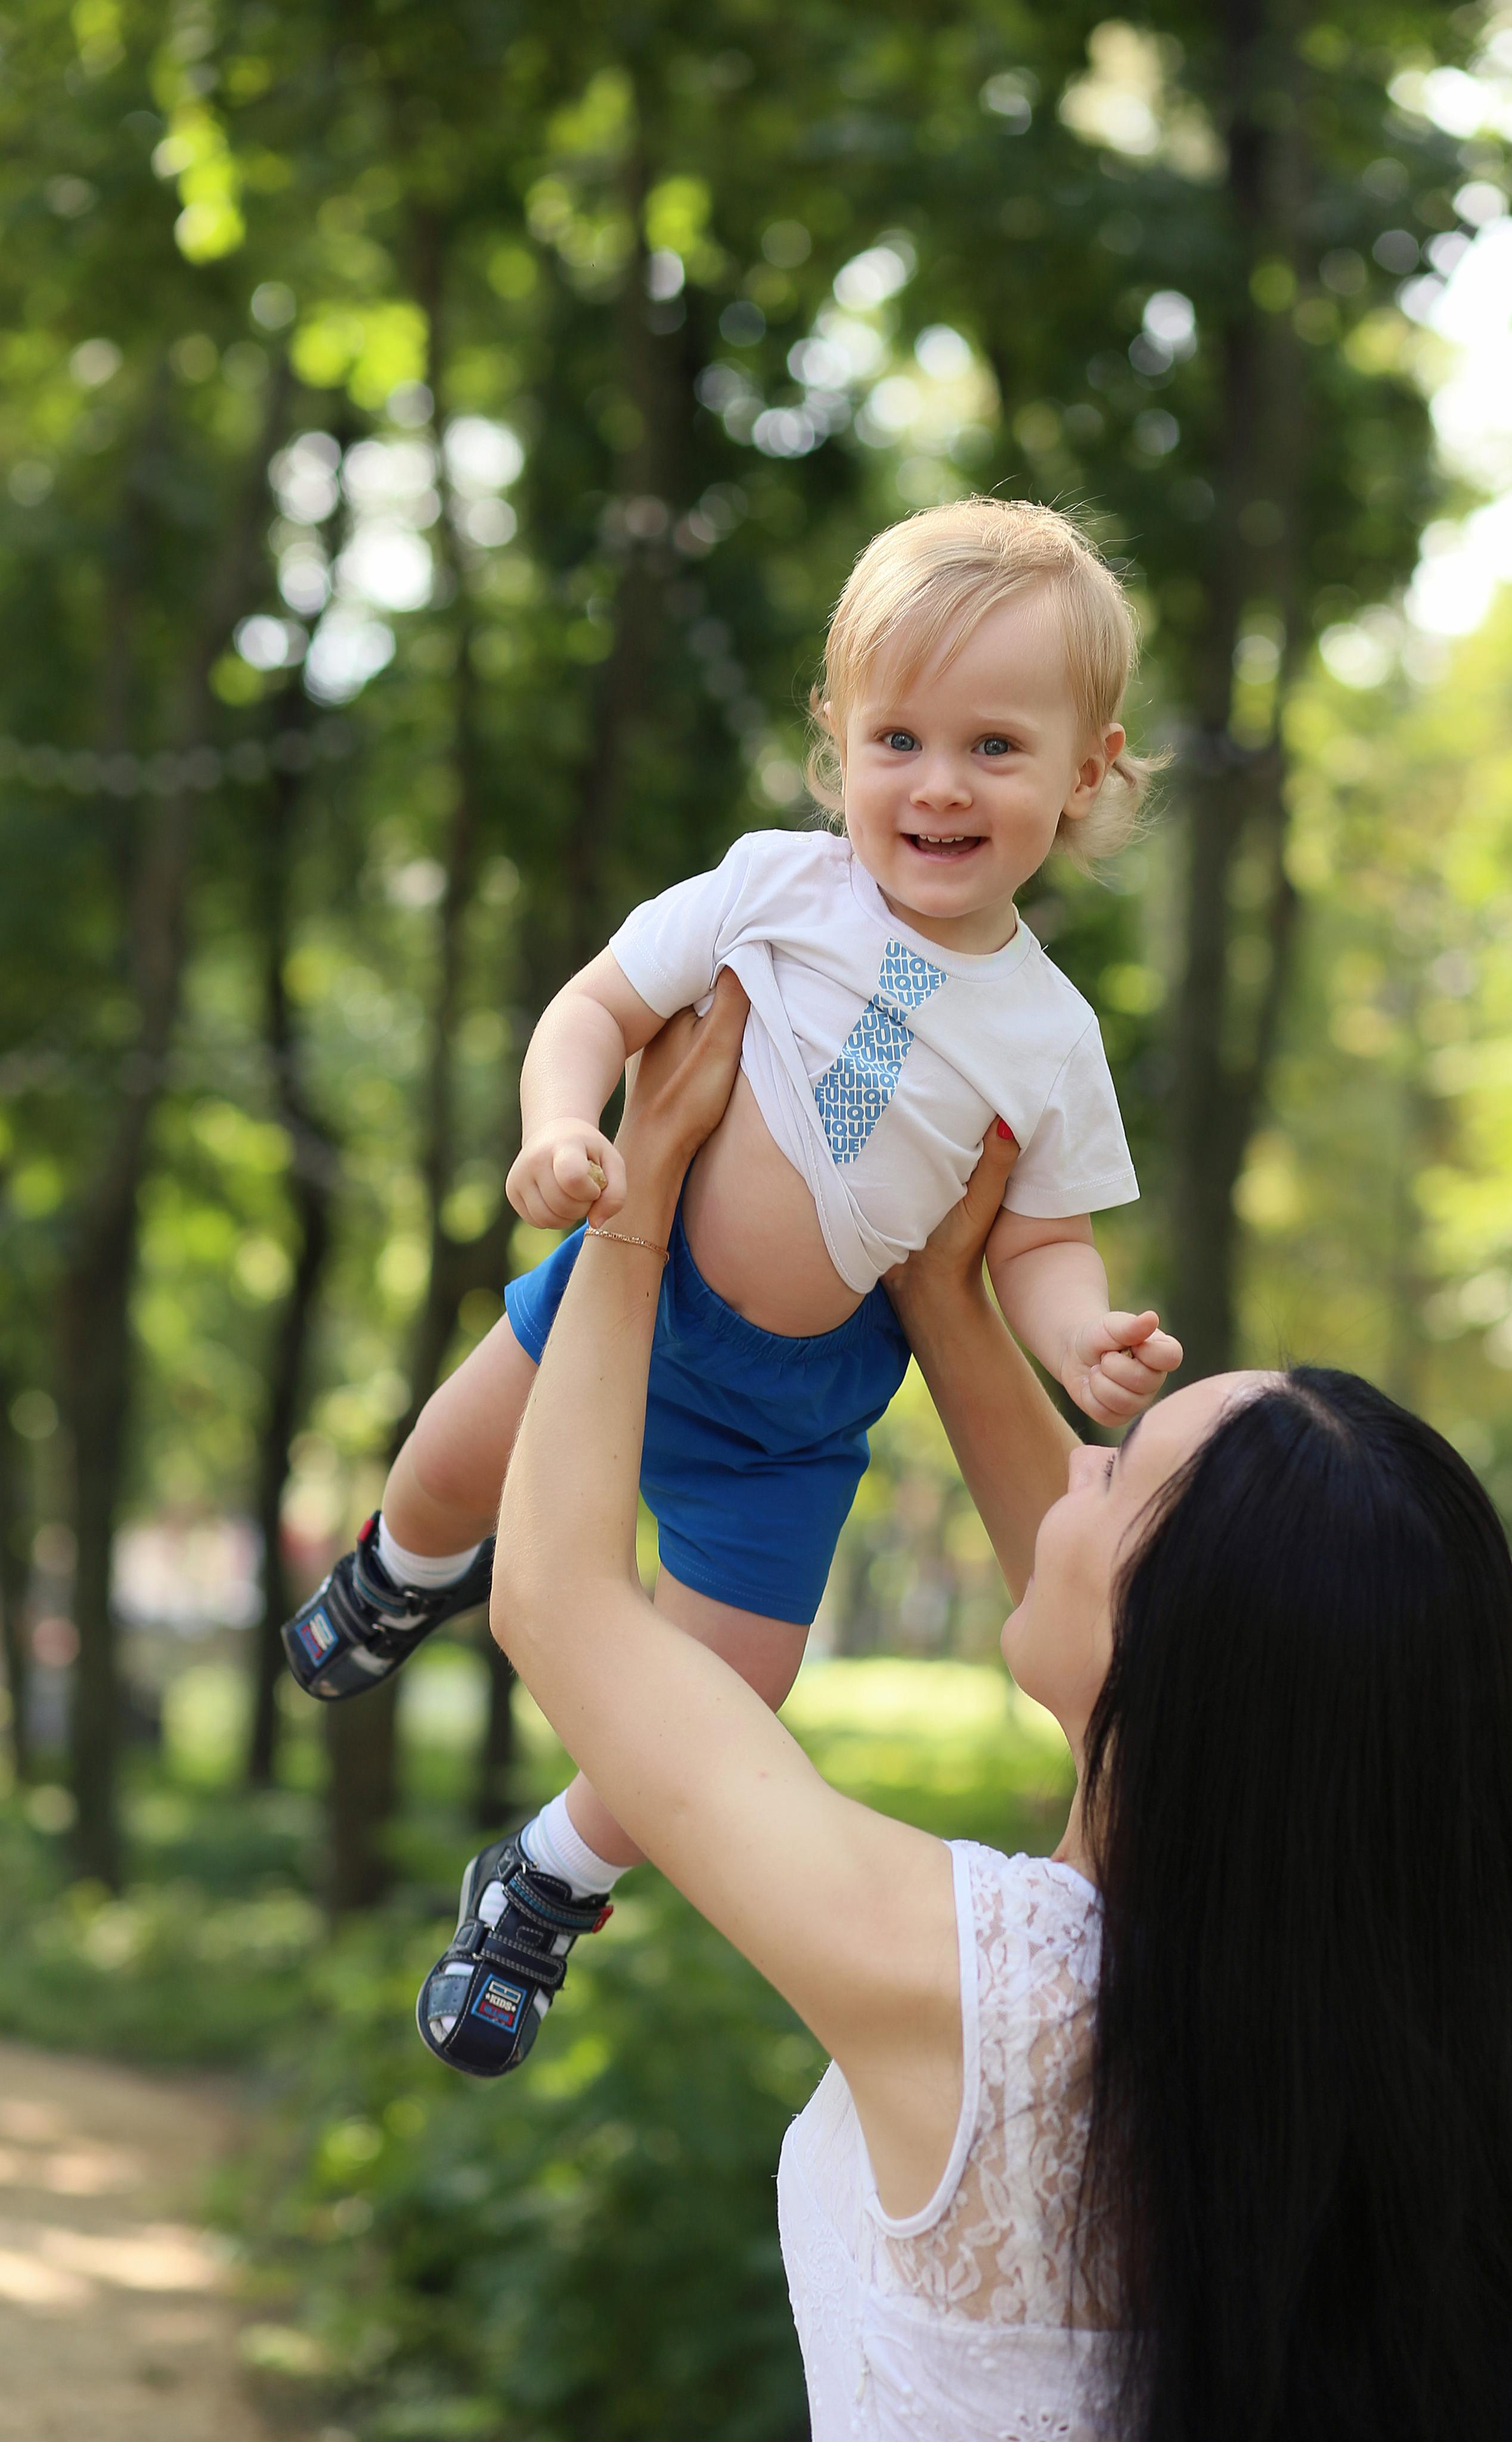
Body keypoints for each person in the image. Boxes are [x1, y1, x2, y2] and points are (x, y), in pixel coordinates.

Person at [479, 980, 1512, 2442]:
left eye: (1112, 1472)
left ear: (1176, 1666)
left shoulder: (978, 1992)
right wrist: (941, 1295)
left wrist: (641, 1191)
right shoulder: (1386, 2035)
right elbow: (1134, 1644)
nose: (1066, 1468)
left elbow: (558, 1605)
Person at [282, 497, 1181, 2068]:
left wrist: (1077, 1341)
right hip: (634, 1303)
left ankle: (547, 1878)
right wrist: (562, 1128)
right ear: (835, 741)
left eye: (994, 747)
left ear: (1086, 773)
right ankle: (401, 1569)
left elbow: (1034, 1240)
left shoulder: (1047, 1035)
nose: (938, 785)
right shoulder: (770, 887)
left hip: (798, 1402)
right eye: (897, 737)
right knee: (444, 1460)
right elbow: (596, 1006)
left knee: (725, 1701)